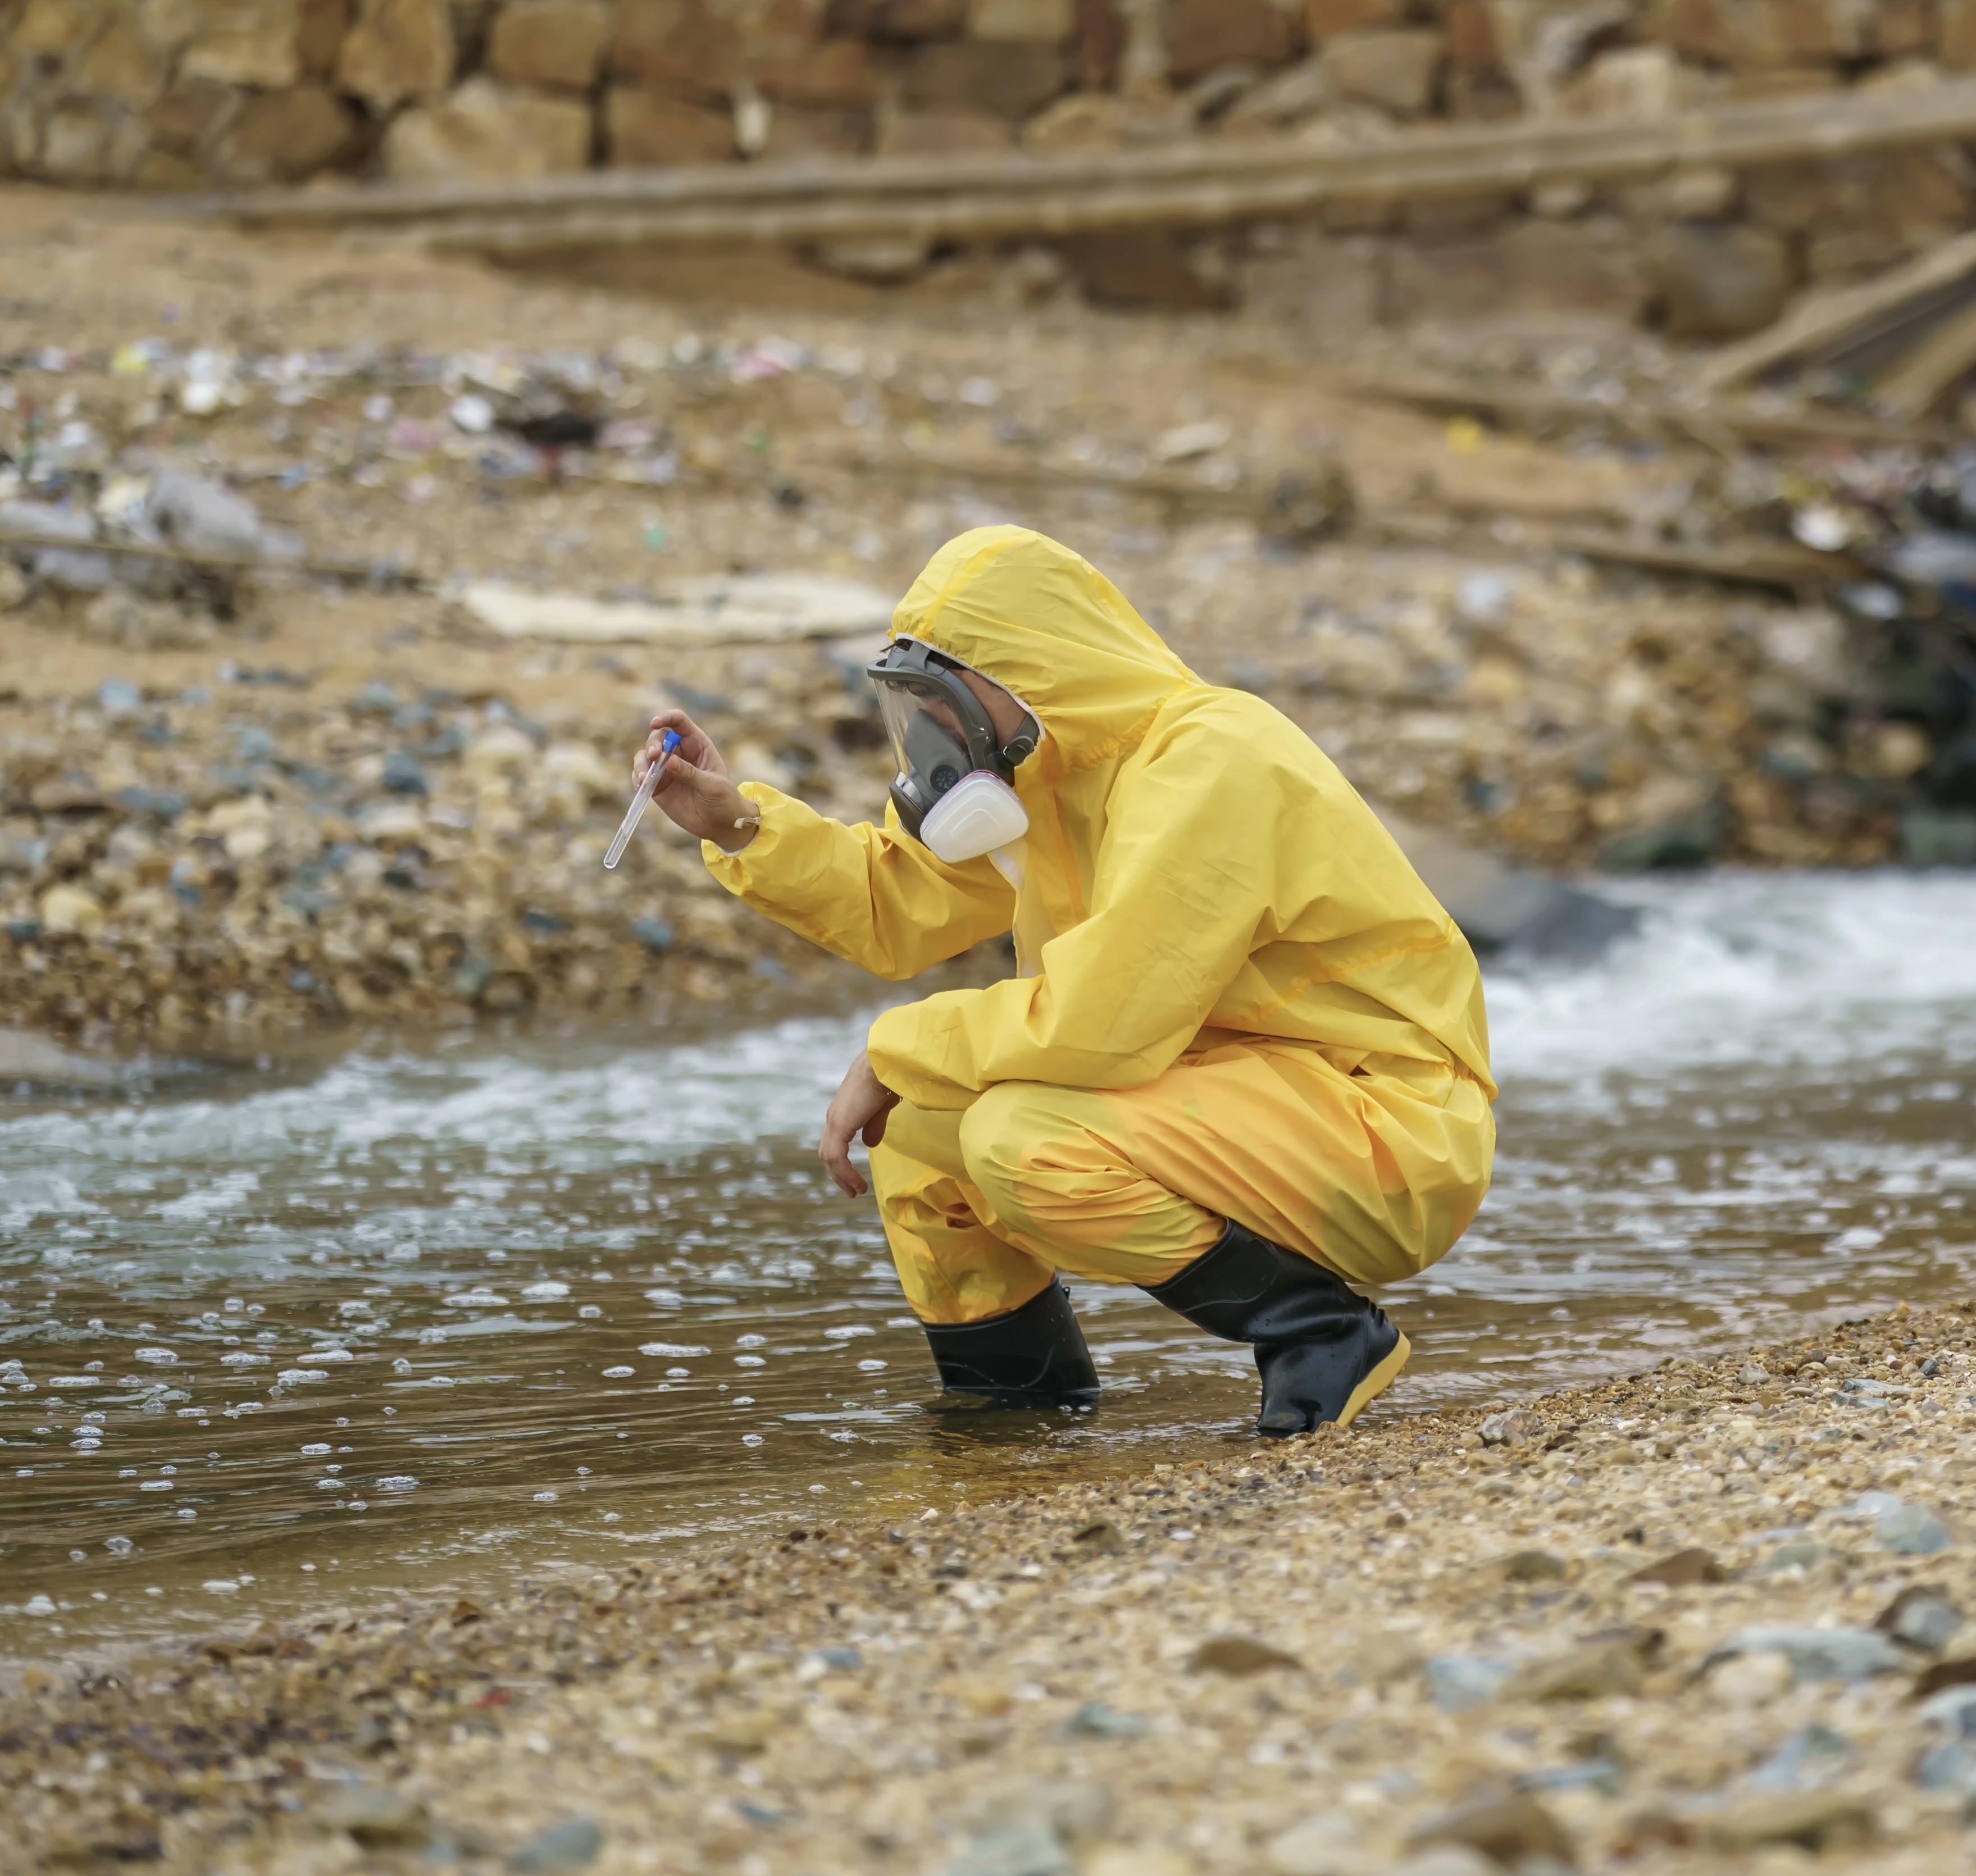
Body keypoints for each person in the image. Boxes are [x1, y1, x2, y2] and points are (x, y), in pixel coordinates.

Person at [634, 526, 1494, 1434]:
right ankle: (1013, 1412)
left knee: (1019, 1136)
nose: (931, 729)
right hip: (1238, 1098)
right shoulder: (1038, 775)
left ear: (1028, 674)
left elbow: (1104, 1022)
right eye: (914, 704)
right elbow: (897, 908)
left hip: (1387, 1133)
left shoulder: (1214, 757)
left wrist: (900, 1048)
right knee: (924, 1136)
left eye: (942, 698)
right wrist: (738, 827)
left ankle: (1325, 1335)